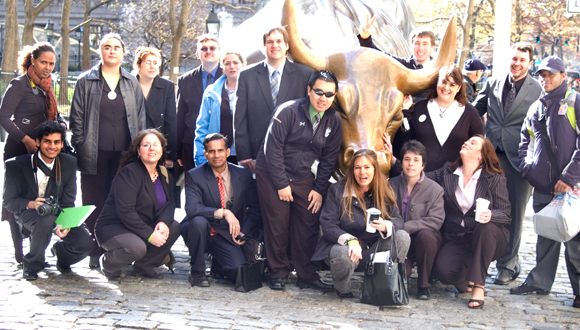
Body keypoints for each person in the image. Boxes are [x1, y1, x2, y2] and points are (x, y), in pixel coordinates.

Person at [255, 70, 343, 291]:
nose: (323, 98)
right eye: (319, 92)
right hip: (272, 173)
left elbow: (329, 159)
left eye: (329, 94)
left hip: (303, 176)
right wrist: (282, 184)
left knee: (309, 220)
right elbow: (271, 149)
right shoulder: (288, 111)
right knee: (278, 223)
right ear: (309, 90)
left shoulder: (334, 120)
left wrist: (319, 189)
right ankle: (278, 272)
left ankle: (306, 274)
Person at [70, 33, 146, 269]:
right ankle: (94, 249)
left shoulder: (131, 82)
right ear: (100, 51)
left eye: (116, 47)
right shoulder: (85, 81)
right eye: (106, 47)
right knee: (93, 200)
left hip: (125, 154)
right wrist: (81, 144)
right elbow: (76, 118)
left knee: (119, 202)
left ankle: (114, 247)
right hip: (94, 152)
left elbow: (140, 118)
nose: (112, 51)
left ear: (123, 52)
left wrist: (138, 149)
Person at [512, 56, 580, 309]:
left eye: (551, 74)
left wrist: (569, 177)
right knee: (546, 236)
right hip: (543, 185)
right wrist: (529, 170)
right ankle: (539, 282)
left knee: (575, 240)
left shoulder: (575, 102)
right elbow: (524, 141)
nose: (546, 78)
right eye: (543, 74)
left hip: (572, 188)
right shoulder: (536, 106)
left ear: (563, 76)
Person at [472, 42, 542, 286]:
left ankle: (508, 265)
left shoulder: (537, 90)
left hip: (519, 161)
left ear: (529, 63)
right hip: (491, 159)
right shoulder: (492, 83)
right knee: (484, 209)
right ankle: (486, 257)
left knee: (514, 214)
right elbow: (474, 110)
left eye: (522, 60)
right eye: (514, 58)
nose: (517, 63)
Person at [415, 135, 511, 309]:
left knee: (486, 228)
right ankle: (464, 279)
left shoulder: (494, 178)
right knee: (443, 271)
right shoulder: (448, 172)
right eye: (467, 141)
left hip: (489, 238)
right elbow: (422, 177)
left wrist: (490, 215)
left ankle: (478, 287)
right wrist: (393, 160)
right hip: (457, 238)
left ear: (481, 155)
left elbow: (506, 214)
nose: (466, 142)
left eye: (472, 143)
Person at [0, 42, 67, 265]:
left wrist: (61, 122)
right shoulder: (19, 84)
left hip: (43, 151)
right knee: (18, 200)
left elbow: (52, 115)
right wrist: (25, 139)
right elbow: (3, 117)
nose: (47, 67)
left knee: (40, 200)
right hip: (19, 149)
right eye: (43, 62)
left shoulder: (48, 86)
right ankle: (20, 253)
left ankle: (35, 250)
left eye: (51, 63)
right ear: (33, 61)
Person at [312, 149, 410, 298]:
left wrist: (386, 226)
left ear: (375, 169)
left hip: (374, 247)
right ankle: (343, 289)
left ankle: (386, 283)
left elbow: (398, 220)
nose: (362, 172)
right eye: (357, 167)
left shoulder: (384, 189)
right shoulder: (337, 190)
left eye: (367, 167)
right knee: (343, 254)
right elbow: (328, 224)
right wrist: (350, 240)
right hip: (345, 248)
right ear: (352, 170)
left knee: (402, 236)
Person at [3, 121, 93, 280]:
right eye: (47, 141)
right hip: (28, 212)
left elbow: (68, 201)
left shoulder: (69, 163)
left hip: (58, 211)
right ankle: (32, 264)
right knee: (45, 220)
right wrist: (31, 204)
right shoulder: (15, 165)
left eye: (57, 142)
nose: (52, 146)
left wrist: (64, 224)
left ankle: (61, 255)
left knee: (85, 243)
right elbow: (8, 201)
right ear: (37, 142)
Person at [95, 129, 180, 280]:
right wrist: (149, 235)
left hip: (143, 224)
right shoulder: (129, 173)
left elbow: (170, 204)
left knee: (174, 227)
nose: (151, 148)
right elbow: (125, 211)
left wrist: (163, 222)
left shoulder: (164, 174)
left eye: (156, 145)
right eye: (146, 145)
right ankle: (108, 263)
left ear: (162, 149)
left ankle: (144, 266)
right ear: (138, 151)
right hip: (115, 227)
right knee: (136, 248)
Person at [181, 133, 262, 287]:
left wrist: (243, 231)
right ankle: (197, 271)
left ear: (227, 152)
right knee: (199, 222)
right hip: (198, 230)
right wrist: (224, 212)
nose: (216, 155)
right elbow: (192, 209)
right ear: (205, 154)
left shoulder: (243, 175)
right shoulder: (194, 175)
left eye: (220, 150)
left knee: (237, 270)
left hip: (225, 232)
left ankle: (218, 262)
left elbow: (254, 208)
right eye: (211, 151)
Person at [234, 26, 313, 172]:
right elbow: (239, 119)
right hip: (256, 156)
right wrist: (243, 153)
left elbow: (309, 116)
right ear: (264, 46)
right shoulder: (246, 76)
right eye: (270, 42)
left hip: (293, 155)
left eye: (279, 41)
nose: (274, 45)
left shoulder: (305, 74)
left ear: (287, 45)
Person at [388, 65, 484, 173]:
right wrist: (405, 113)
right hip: (421, 180)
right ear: (437, 82)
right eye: (443, 82)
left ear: (459, 88)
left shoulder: (469, 113)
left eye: (452, 84)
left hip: (454, 181)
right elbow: (404, 140)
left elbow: (479, 146)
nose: (446, 87)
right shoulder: (419, 108)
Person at [389, 140, 445, 300]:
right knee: (403, 274)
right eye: (407, 159)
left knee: (426, 236)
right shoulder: (390, 185)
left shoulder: (435, 189)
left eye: (416, 160)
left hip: (424, 240)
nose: (410, 164)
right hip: (399, 238)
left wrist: (406, 226)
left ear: (423, 164)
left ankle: (423, 285)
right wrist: (400, 232)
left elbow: (436, 220)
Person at [133, 46, 180, 207]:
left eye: (156, 62)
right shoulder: (129, 84)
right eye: (148, 62)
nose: (153, 66)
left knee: (158, 193)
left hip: (157, 149)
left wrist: (169, 155)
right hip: (133, 147)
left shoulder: (166, 86)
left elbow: (171, 122)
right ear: (138, 65)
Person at [357, 15, 436, 104]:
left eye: (425, 44)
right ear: (411, 45)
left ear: (432, 47)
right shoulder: (400, 65)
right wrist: (365, 38)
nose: (420, 48)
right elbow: (379, 55)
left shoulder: (439, 70)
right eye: (417, 43)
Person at [176, 34, 222, 172]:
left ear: (219, 52)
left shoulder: (229, 78)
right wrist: (178, 150)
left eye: (212, 48)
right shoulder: (185, 80)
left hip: (222, 146)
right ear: (197, 54)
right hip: (191, 146)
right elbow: (180, 117)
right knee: (194, 190)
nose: (208, 51)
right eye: (204, 49)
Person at [194, 52, 245, 166]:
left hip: (245, 156)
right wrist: (201, 159)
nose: (232, 66)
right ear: (222, 68)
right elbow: (202, 127)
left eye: (236, 62)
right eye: (227, 63)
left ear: (243, 65)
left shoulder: (252, 90)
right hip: (218, 155)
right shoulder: (211, 92)